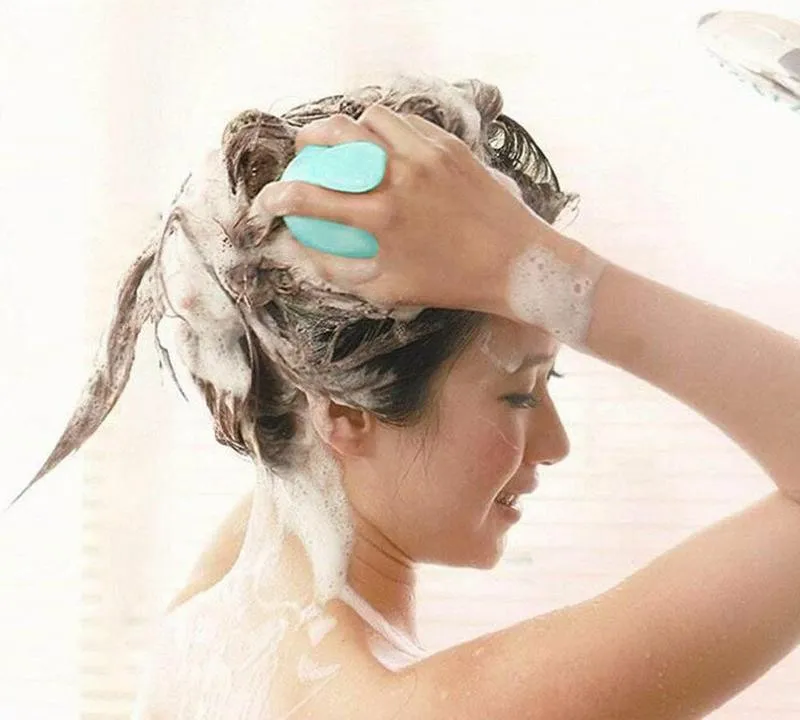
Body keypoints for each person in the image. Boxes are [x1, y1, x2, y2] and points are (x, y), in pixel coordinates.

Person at [15, 73, 800, 718]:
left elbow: (287, 350)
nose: (556, 444)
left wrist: (491, 249)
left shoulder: (209, 623)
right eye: (521, 394)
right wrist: (538, 269)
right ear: (343, 413)